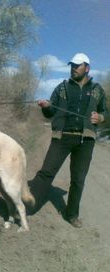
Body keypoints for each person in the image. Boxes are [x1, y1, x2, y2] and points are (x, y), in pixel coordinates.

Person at [31, 53, 109, 228]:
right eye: (72, 65)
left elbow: (106, 112)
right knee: (46, 172)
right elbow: (50, 113)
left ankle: (72, 214)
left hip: (85, 141)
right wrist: (46, 107)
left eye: (77, 65)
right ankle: (29, 205)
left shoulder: (97, 90)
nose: (73, 68)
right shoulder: (61, 88)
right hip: (62, 138)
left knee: (78, 179)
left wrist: (101, 117)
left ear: (86, 68)